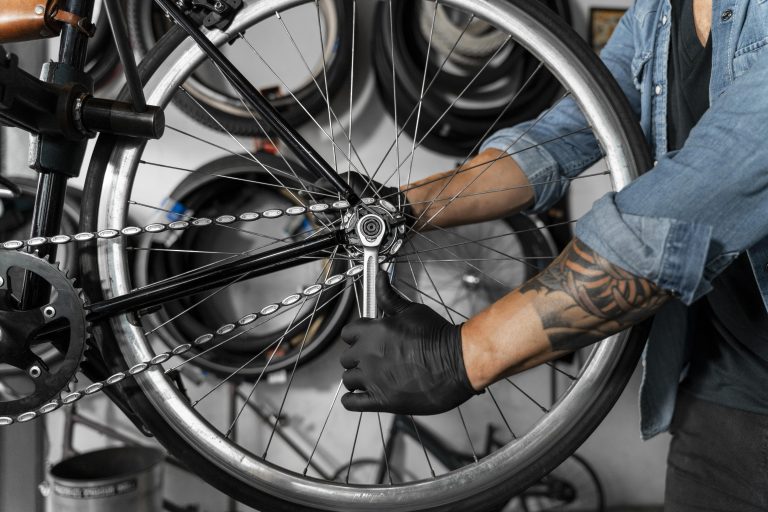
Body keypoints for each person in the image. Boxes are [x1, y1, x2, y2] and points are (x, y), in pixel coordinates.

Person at [337, 0, 768, 510]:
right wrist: (399, 208)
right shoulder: (657, 10)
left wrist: (462, 355)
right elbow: (565, 135)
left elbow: (692, 199)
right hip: (722, 393)